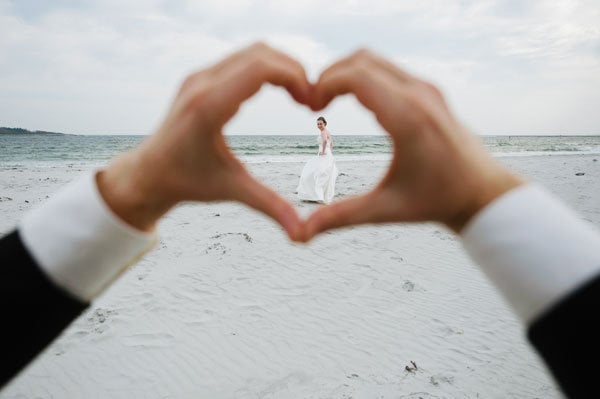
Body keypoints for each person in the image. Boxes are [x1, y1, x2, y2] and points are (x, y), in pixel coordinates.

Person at [1, 43, 599, 398]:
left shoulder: (325, 132)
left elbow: (325, 142)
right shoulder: (324, 131)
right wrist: (483, 198)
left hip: (323, 161)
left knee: (320, 176)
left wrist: (126, 193)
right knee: (320, 178)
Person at [296, 116, 339, 203]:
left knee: (313, 173)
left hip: (323, 154)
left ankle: (317, 195)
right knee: (324, 174)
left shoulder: (323, 132)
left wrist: (323, 151)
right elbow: (331, 143)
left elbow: (325, 142)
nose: (319, 125)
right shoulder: (328, 131)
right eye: (318, 124)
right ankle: (321, 195)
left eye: (320, 123)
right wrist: (329, 151)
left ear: (324, 123)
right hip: (328, 154)